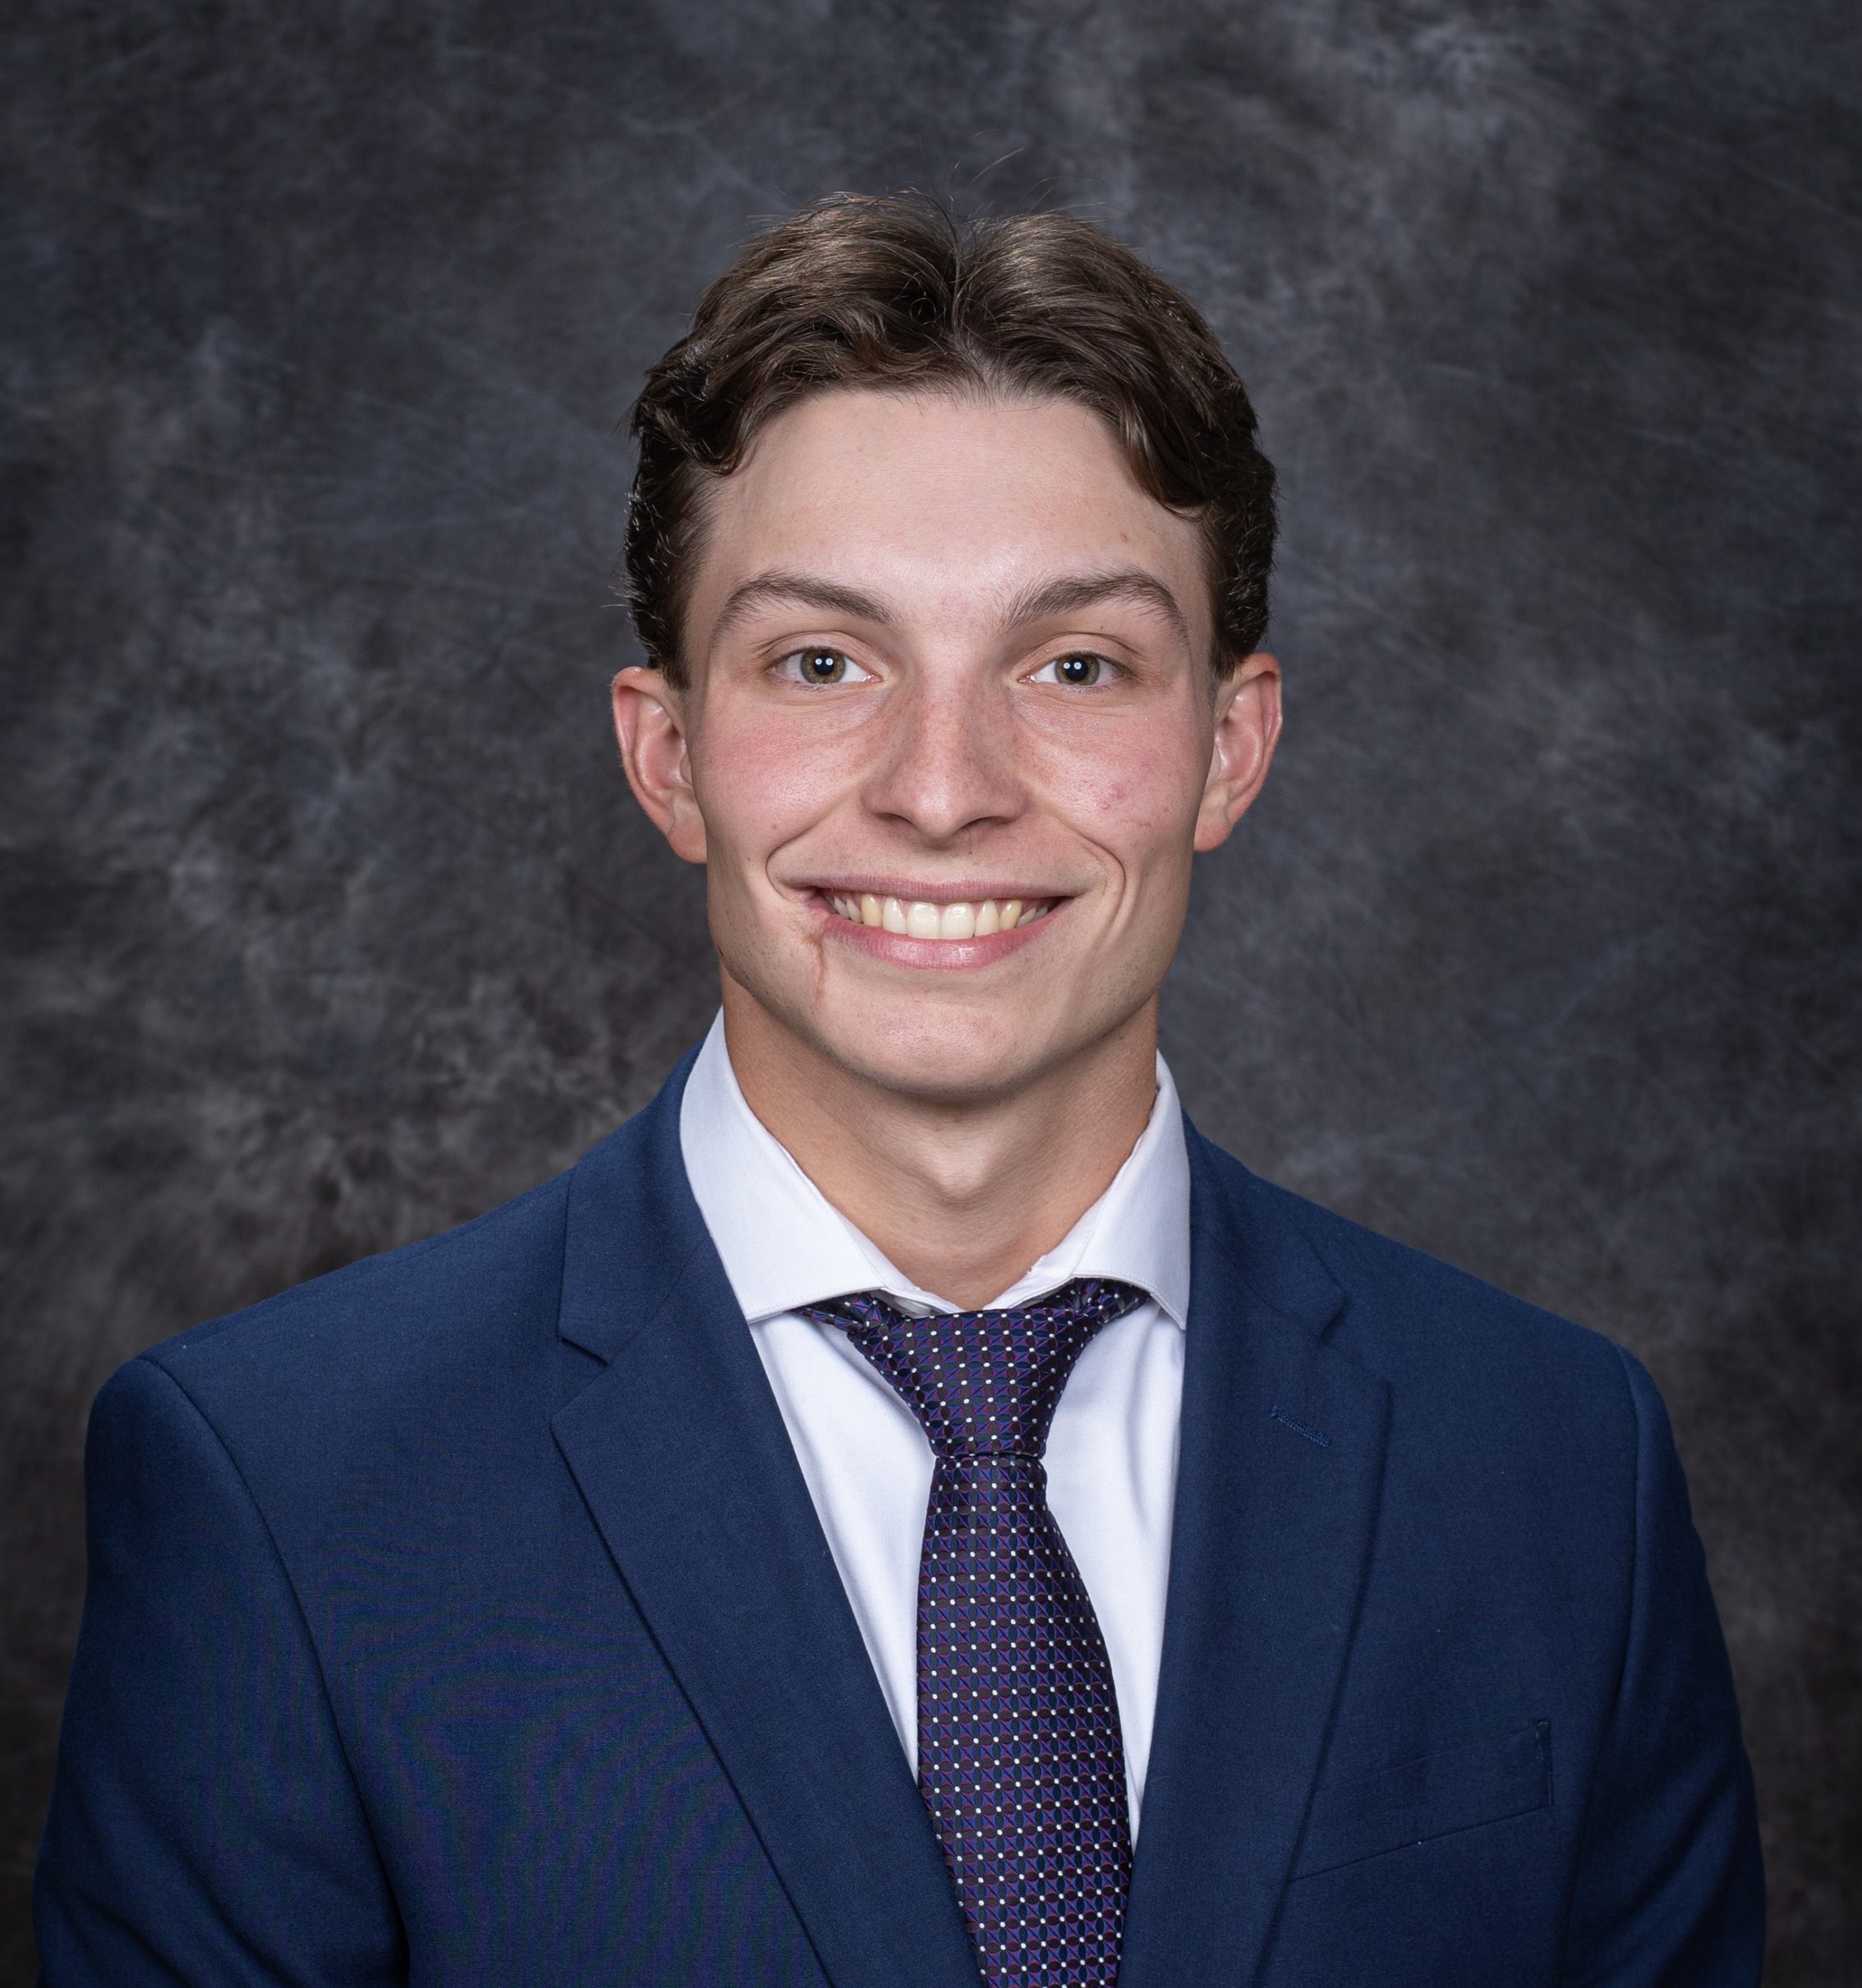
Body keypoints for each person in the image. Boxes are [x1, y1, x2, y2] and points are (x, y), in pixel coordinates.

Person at [35, 193, 1763, 1986]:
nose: (945, 789)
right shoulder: (285, 1487)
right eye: (824, 661)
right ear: (672, 753)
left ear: (1228, 748)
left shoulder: (1559, 1464)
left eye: (1076, 662)